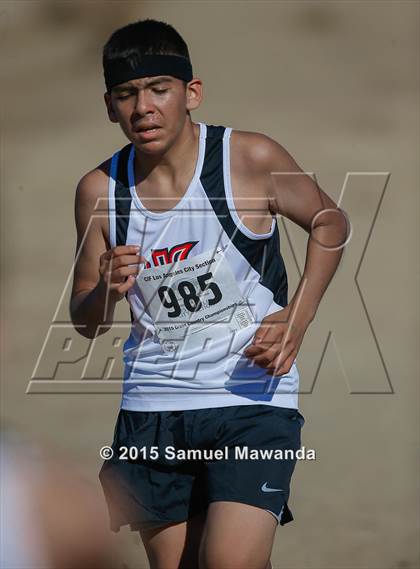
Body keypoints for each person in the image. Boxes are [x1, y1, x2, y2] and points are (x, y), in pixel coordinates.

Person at [70, 18, 348, 569]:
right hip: (152, 408)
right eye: (126, 94)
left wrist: (298, 317)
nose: (142, 107)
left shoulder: (247, 158)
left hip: (251, 397)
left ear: (191, 92)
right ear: (109, 106)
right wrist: (105, 288)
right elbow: (86, 318)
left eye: (158, 89)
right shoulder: (100, 191)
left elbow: (330, 222)